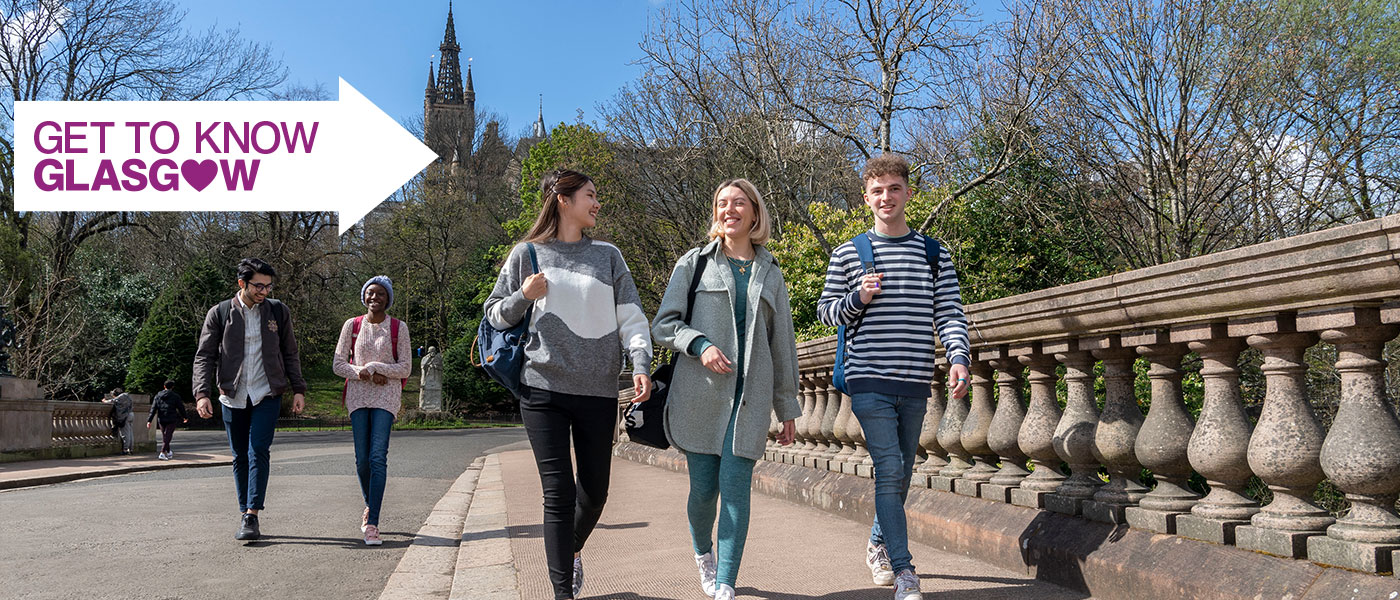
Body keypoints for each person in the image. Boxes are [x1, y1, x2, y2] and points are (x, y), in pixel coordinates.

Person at [484, 168, 653, 600]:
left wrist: (639, 361)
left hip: (598, 390)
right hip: (542, 389)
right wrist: (525, 294)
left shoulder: (609, 256)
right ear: (563, 199)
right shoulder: (527, 254)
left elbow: (631, 318)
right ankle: (562, 593)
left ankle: (570, 549)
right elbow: (494, 316)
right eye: (590, 195)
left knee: (595, 493)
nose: (597, 203)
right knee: (557, 492)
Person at [817, 154, 971, 600]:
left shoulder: (932, 252)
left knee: (902, 473)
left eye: (894, 188)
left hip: (914, 379)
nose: (886, 197)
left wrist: (958, 357)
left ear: (907, 192)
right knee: (889, 469)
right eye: (877, 191)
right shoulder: (849, 253)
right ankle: (905, 573)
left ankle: (878, 544)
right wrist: (857, 298)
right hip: (868, 379)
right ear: (866, 198)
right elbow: (826, 312)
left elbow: (949, 313)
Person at [652, 178, 801, 600]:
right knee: (703, 493)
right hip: (699, 397)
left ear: (755, 213)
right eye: (722, 203)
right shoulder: (693, 263)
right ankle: (704, 552)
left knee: (736, 491)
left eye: (739, 203)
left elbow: (782, 344)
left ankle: (725, 584)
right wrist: (700, 345)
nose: (729, 209)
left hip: (748, 401)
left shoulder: (771, 272)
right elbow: (664, 325)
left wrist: (786, 406)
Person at [192, 257, 307, 542]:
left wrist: (298, 388)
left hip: (267, 393)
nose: (264, 292)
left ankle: (252, 514)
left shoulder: (277, 312)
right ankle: (245, 509)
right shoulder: (219, 313)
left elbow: (290, 352)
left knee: (259, 450)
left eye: (268, 286)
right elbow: (204, 356)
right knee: (239, 455)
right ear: (241, 283)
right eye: (259, 286)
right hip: (232, 395)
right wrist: (202, 394)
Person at [332, 275, 412, 546]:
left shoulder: (398, 328)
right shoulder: (351, 325)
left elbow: (405, 367)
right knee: (362, 459)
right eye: (370, 293)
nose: (374, 298)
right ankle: (371, 504)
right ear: (364, 297)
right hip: (357, 397)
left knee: (378, 456)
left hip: (386, 399)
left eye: (380, 294)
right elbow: (338, 364)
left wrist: (379, 369)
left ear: (388, 299)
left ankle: (373, 523)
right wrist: (363, 373)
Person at [146, 380, 188, 460]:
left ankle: (168, 452)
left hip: (161, 418)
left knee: (165, 436)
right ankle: (162, 452)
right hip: (171, 418)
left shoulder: (158, 396)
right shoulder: (175, 396)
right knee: (168, 436)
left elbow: (153, 408)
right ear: (172, 387)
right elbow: (180, 408)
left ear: (164, 386)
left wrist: (149, 420)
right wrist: (185, 417)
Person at [102, 388, 134, 455]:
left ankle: (126, 449)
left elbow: (112, 401)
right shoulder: (127, 396)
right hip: (131, 414)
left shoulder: (121, 397)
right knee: (130, 433)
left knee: (125, 434)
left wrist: (105, 401)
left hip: (125, 417)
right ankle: (131, 448)